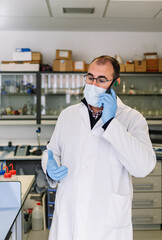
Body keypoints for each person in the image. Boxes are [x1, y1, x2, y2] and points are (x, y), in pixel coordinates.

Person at [41, 55, 156, 240]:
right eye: (90, 77)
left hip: (107, 223)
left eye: (101, 80)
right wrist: (49, 166)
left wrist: (111, 123)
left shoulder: (132, 119)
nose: (93, 84)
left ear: (115, 83)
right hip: (69, 217)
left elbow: (143, 166)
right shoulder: (67, 115)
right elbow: (52, 150)